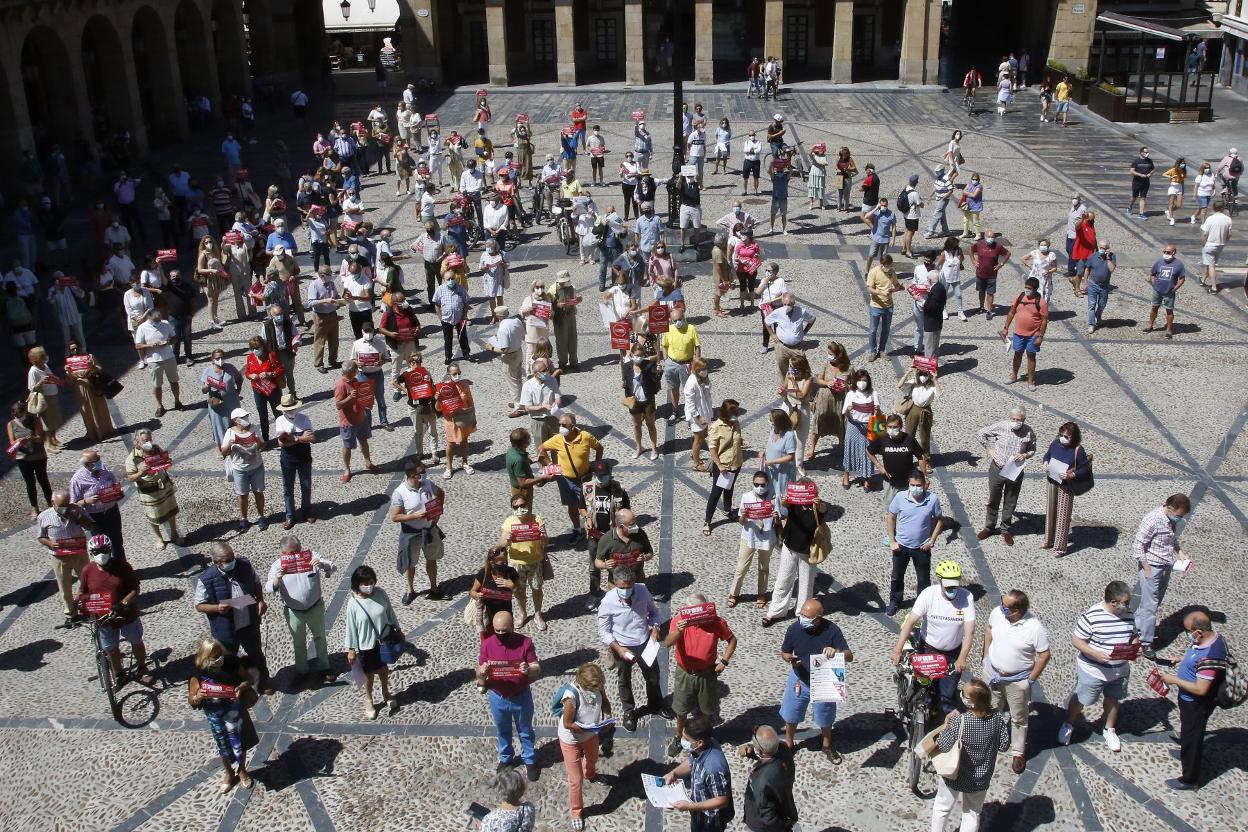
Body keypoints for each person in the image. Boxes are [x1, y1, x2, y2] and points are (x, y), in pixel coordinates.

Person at [1058, 581, 1139, 752]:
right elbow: (1077, 640)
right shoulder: (1092, 616)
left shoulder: (1129, 614)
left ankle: (1109, 729)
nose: (1128, 605)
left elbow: (1133, 635)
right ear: (1113, 602)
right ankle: (1068, 724)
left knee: (1113, 700)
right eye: (1125, 602)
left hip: (1120, 670)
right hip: (1093, 670)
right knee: (1081, 699)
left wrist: (1134, 648)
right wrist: (1096, 654)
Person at [1155, 610, 1227, 791]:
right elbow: (1196, 656)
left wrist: (1174, 679)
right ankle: (1185, 751)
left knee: (1193, 736)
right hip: (1188, 700)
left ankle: (1189, 778)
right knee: (1188, 731)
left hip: (1195, 703)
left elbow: (1201, 689)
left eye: (1189, 632)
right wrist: (1184, 660)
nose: (1188, 635)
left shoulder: (1211, 655)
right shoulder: (1210, 639)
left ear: (1199, 632)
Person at [891, 560, 975, 713]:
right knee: (925, 690)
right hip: (929, 649)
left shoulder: (966, 597)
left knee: (947, 696)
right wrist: (897, 649)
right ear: (940, 581)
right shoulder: (929, 594)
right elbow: (910, 622)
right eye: (948, 586)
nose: (952, 589)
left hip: (952, 652)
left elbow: (969, 633)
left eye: (955, 586)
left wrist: (962, 658)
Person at [983, 589, 1051, 774]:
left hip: (1017, 680)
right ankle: (990, 738)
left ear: (1017, 610)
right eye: (1002, 604)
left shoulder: (1034, 627)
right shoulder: (997, 613)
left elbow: (1044, 655)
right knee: (991, 708)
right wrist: (986, 655)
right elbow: (988, 629)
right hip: (993, 674)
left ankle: (1018, 752)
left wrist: (1030, 680)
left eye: (1006, 607)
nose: (1001, 609)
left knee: (1019, 718)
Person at [928, 680, 1010, 832]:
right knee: (972, 814)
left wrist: (946, 724)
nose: (961, 695)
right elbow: (1004, 745)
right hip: (981, 778)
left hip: (955, 775)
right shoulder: (997, 718)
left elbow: (944, 745)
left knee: (942, 808)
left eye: (964, 694)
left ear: (971, 702)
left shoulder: (960, 721)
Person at [778, 600, 852, 763]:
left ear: (818, 618)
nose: (802, 618)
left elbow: (849, 655)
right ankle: (789, 744)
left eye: (806, 616)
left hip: (824, 680)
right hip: (799, 678)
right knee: (791, 715)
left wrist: (837, 651)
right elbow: (784, 652)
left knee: (826, 717)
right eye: (801, 614)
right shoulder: (794, 629)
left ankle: (827, 745)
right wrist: (789, 658)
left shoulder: (832, 630)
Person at [665, 592, 737, 756]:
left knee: (707, 710)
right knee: (681, 710)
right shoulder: (678, 622)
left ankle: (703, 738)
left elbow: (732, 640)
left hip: (707, 673)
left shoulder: (716, 622)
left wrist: (724, 661)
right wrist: (679, 631)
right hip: (685, 673)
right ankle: (679, 737)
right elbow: (668, 642)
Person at [195, 543, 274, 694]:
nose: (232, 561)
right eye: (227, 559)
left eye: (232, 557)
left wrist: (260, 600)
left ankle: (264, 681)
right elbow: (199, 605)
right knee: (229, 661)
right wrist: (216, 608)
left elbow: (256, 583)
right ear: (216, 562)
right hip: (225, 629)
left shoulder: (244, 565)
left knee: (256, 654)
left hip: (248, 623)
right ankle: (235, 688)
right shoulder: (206, 579)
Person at [597, 567, 668, 731]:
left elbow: (653, 612)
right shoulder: (607, 602)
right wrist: (618, 648)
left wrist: (655, 628)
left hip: (644, 641)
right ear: (615, 584)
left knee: (653, 676)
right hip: (622, 646)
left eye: (629, 587)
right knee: (624, 680)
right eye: (622, 588)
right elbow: (604, 631)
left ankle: (655, 704)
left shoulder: (642, 590)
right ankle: (628, 711)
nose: (626, 591)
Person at [78, 534, 155, 685]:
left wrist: (123, 603)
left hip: (127, 615)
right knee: (111, 649)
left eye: (104, 550)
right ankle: (118, 673)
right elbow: (81, 593)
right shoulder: (87, 571)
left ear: (110, 550)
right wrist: (80, 605)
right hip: (104, 619)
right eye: (96, 552)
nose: (101, 555)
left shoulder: (123, 567)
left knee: (136, 641)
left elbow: (135, 589)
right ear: (91, 553)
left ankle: (142, 668)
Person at [188, 638, 259, 793]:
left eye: (220, 654)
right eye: (215, 656)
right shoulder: (198, 673)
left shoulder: (231, 662)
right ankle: (229, 773)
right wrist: (198, 697)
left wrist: (241, 687)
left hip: (235, 711)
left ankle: (242, 770)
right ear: (205, 657)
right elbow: (192, 700)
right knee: (223, 747)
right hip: (216, 717)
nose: (219, 658)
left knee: (241, 743)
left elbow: (249, 679)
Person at [477, 609, 541, 780]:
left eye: (504, 631)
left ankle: (529, 758)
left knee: (525, 730)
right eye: (497, 630)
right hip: (498, 696)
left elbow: (536, 667)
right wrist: (482, 673)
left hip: (521, 695)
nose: (499, 634)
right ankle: (506, 758)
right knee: (502, 730)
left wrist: (529, 669)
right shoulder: (487, 645)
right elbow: (480, 671)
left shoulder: (525, 643)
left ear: (512, 627)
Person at [266, 534, 335, 687]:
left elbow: (332, 566)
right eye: (291, 553)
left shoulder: (311, 556)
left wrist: (322, 565)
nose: (296, 556)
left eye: (298, 551)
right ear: (283, 553)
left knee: (320, 637)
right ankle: (302, 670)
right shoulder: (277, 565)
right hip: (294, 611)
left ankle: (324, 667)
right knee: (299, 642)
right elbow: (269, 588)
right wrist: (277, 579)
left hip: (315, 607)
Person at [1132, 494, 1191, 659]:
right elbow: (1138, 545)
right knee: (1150, 605)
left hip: (1165, 565)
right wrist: (1146, 568)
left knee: (1153, 602)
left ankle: (1134, 628)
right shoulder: (1152, 519)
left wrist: (1180, 553)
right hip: (1152, 567)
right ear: (1170, 508)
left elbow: (1171, 539)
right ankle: (1145, 643)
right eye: (1179, 515)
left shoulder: (1170, 519)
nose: (1180, 519)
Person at [556, 663, 609, 830]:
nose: (599, 689)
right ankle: (576, 811)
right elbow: (567, 723)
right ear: (584, 685)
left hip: (590, 734)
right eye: (595, 687)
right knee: (575, 780)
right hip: (570, 739)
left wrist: (607, 713)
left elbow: (605, 702)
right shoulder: (571, 696)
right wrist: (583, 728)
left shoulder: (597, 685)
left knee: (592, 758)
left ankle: (591, 774)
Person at [976, 406, 1036, 546]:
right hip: (998, 468)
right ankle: (989, 527)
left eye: (1019, 420)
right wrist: (989, 448)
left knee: (1011, 500)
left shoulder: (1028, 431)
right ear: (1010, 418)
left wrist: (1025, 455)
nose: (1016, 422)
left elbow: (1033, 448)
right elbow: (981, 433)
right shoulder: (1002, 426)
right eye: (1014, 419)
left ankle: (1005, 529)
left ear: (1024, 420)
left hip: (1015, 470)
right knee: (993, 499)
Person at [663, 713, 734, 830]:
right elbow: (692, 762)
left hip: (711, 821)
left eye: (686, 739)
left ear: (699, 742)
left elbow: (722, 800)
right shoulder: (701, 747)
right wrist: (674, 773)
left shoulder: (714, 768)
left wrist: (690, 806)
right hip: (698, 813)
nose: (682, 741)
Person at [345, 564, 400, 719]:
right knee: (368, 674)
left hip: (383, 641)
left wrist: (398, 629)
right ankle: (368, 699)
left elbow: (390, 612)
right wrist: (351, 648)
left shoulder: (381, 593)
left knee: (383, 669)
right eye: (365, 584)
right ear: (358, 584)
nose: (369, 586)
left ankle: (386, 692)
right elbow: (351, 627)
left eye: (371, 582)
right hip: (365, 645)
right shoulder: (353, 603)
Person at [389, 459, 447, 604]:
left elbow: (441, 494)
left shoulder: (428, 484)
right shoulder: (399, 493)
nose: (423, 472)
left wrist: (437, 514)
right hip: (411, 533)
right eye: (420, 471)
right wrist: (415, 516)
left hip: (429, 530)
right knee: (410, 563)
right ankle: (410, 590)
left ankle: (434, 588)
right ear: (412, 475)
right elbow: (394, 516)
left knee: (431, 559)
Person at [540, 414, 603, 538]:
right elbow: (541, 448)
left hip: (584, 478)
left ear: (573, 426)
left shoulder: (585, 436)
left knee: (590, 504)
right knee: (572, 505)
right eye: (559, 424)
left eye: (563, 425)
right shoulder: (557, 439)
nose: (560, 427)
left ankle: (594, 527)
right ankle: (577, 529)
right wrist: (550, 465)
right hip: (565, 480)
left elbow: (599, 448)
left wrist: (596, 465)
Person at [37, 490, 94, 622]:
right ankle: (71, 613)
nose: (65, 508)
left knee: (88, 582)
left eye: (67, 504)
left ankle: (91, 608)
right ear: (53, 503)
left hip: (79, 553)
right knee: (64, 586)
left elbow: (90, 526)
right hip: (60, 557)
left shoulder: (77, 509)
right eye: (62, 505)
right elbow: (40, 537)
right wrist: (49, 543)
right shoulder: (44, 517)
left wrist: (79, 517)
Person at [124, 428, 184, 548]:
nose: (149, 442)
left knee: (171, 510)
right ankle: (158, 538)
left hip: (163, 485)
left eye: (150, 439)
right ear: (137, 442)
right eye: (145, 440)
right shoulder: (132, 458)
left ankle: (174, 533)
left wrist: (167, 462)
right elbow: (130, 478)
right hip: (149, 491)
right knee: (153, 515)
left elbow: (163, 463)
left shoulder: (156, 449)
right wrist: (141, 472)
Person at [1041, 422, 1092, 557]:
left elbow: (1084, 468)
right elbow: (1047, 456)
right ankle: (1049, 540)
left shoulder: (1078, 450)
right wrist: (1045, 463)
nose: (1063, 438)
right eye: (1061, 435)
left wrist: (1072, 475)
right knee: (1050, 511)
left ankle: (1060, 547)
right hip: (1052, 481)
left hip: (1066, 485)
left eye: (1067, 437)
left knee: (1063, 515)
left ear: (1074, 438)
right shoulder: (1055, 443)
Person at [500, 496, 550, 631]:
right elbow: (501, 545)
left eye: (522, 505)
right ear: (512, 508)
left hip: (535, 562)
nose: (520, 509)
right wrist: (507, 540)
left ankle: (538, 614)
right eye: (516, 507)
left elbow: (546, 542)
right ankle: (523, 613)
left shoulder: (537, 519)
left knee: (537, 589)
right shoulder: (509, 522)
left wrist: (542, 536)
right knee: (519, 591)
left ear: (528, 505)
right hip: (516, 564)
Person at [69, 451, 126, 563]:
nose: (99, 462)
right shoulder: (77, 479)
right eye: (96, 460)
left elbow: (114, 482)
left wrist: (118, 492)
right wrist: (87, 501)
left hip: (111, 511)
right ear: (87, 464)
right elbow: (73, 504)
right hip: (94, 517)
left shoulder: (104, 469)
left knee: (117, 542)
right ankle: (107, 570)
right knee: (101, 545)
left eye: (99, 458)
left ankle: (123, 568)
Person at [741, 725, 798, 832]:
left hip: (760, 825)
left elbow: (768, 817)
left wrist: (784, 828)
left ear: (759, 750)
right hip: (784, 806)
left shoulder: (760, 781)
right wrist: (751, 751)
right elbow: (768, 753)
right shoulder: (784, 749)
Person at [220, 408, 267, 531]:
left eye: (246, 416)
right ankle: (244, 518)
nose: (246, 418)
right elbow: (223, 452)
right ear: (235, 420)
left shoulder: (254, 428)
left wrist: (257, 440)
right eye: (243, 417)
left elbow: (262, 446)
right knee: (242, 495)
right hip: (239, 469)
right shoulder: (230, 432)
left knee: (258, 492)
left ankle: (261, 516)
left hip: (256, 467)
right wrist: (230, 443)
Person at [333, 361, 379, 482]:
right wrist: (349, 398)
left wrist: (367, 402)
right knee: (347, 447)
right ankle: (347, 469)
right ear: (350, 372)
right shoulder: (340, 385)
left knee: (364, 441)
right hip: (348, 422)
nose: (357, 372)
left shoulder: (355, 380)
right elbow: (338, 405)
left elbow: (361, 396)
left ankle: (368, 462)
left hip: (361, 418)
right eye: (355, 370)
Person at [274, 393, 316, 528]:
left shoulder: (304, 419)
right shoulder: (280, 420)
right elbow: (281, 443)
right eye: (287, 409)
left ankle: (306, 511)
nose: (289, 411)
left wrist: (294, 439)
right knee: (288, 488)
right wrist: (300, 438)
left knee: (306, 486)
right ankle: (290, 516)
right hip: (288, 459)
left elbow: (311, 438)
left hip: (304, 458)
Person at [1001, 276, 1048, 392]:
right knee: (1017, 354)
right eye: (1026, 287)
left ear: (1035, 289)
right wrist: (1006, 327)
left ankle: (1030, 381)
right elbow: (1012, 312)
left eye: (1029, 288)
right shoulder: (1020, 297)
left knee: (1031, 356)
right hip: (1019, 333)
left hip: (1033, 335)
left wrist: (1040, 337)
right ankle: (1014, 375)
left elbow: (1044, 321)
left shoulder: (1041, 302)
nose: (1027, 290)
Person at [704, 399, 743, 534]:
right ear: (726, 414)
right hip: (723, 466)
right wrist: (719, 465)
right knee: (716, 493)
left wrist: (741, 442)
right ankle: (707, 521)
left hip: (736, 463)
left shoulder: (736, 422)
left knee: (730, 488)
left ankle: (728, 510)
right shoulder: (716, 427)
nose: (736, 416)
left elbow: (736, 438)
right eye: (734, 414)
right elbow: (712, 448)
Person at [63, 341, 115, 443]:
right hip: (81, 388)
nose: (75, 350)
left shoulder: (88, 357)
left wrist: (92, 367)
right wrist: (68, 372)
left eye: (76, 348)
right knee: (87, 410)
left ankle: (105, 430)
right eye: (72, 349)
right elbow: (69, 381)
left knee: (99, 407)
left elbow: (99, 369)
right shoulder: (69, 362)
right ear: (69, 351)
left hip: (93, 384)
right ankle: (93, 432)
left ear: (80, 347)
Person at [808, 342, 850, 464]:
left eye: (831, 354)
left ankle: (843, 447)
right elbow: (818, 380)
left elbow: (853, 384)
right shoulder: (827, 364)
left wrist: (845, 385)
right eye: (829, 354)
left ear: (839, 355)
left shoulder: (849, 368)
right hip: (824, 399)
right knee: (818, 421)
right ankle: (812, 448)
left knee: (840, 423)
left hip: (839, 401)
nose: (829, 356)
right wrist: (827, 383)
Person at [9, 399, 52, 517]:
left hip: (38, 456)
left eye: (21, 415)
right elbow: (12, 443)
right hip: (23, 458)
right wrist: (18, 441)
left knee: (43, 480)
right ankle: (34, 507)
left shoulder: (34, 419)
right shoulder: (11, 424)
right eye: (16, 415)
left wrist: (31, 438)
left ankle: (51, 504)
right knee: (30, 483)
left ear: (25, 412)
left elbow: (40, 437)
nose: (19, 417)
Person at [840, 369, 879, 490]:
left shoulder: (873, 393)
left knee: (868, 452)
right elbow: (844, 412)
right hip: (854, 425)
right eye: (860, 380)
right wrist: (848, 410)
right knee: (850, 449)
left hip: (868, 425)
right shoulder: (851, 394)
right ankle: (846, 474)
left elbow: (877, 412)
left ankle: (867, 477)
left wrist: (876, 410)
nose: (862, 382)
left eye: (864, 380)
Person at [439, 362, 477, 477]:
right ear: (449, 374)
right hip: (451, 419)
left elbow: (470, 402)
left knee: (464, 441)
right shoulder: (443, 388)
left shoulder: (464, 385)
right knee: (450, 444)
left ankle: (465, 463)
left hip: (464, 418)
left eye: (459, 373)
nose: (457, 375)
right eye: (455, 373)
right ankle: (449, 467)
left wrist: (473, 417)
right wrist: (437, 399)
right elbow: (437, 408)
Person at [763, 293, 815, 377]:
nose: (787, 306)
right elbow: (766, 322)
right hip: (782, 346)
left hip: (797, 347)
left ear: (794, 303)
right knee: (783, 370)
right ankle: (784, 387)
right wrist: (772, 334)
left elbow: (812, 319)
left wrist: (804, 332)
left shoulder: (801, 312)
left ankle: (802, 387)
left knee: (802, 368)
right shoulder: (778, 312)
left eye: (789, 304)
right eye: (785, 304)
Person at [1144, 244, 1186, 339]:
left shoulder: (1179, 264)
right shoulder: (1159, 262)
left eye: (1168, 252)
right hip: (1157, 290)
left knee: (1169, 310)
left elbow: (1182, 278)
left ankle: (1169, 330)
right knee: (1154, 307)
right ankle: (1150, 325)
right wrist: (1154, 284)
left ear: (1174, 252)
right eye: (1164, 252)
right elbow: (1153, 274)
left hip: (1169, 292)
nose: (1166, 254)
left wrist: (1175, 288)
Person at [865, 254, 901, 360]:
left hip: (888, 306)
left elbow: (896, 284)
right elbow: (869, 289)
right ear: (882, 264)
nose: (888, 268)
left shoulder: (892, 271)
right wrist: (881, 293)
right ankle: (872, 351)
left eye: (890, 265)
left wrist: (898, 287)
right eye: (887, 266)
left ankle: (882, 350)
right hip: (876, 306)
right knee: (873, 330)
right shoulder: (874, 272)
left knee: (886, 330)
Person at [970, 231, 1010, 318]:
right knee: (981, 291)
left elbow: (1007, 253)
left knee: (990, 293)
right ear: (985, 237)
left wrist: (1001, 264)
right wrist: (973, 261)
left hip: (992, 275)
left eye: (992, 237)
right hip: (980, 273)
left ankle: (989, 310)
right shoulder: (979, 244)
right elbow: (971, 250)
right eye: (989, 236)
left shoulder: (998, 246)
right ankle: (981, 306)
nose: (990, 238)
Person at [1082, 239, 1116, 334]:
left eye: (1104, 248)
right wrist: (1085, 283)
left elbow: (1111, 269)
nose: (1102, 250)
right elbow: (1087, 270)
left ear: (1108, 249)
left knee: (1102, 305)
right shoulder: (1092, 257)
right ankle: (1091, 324)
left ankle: (1098, 316)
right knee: (1091, 305)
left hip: (1104, 286)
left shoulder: (1112, 257)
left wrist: (1108, 258)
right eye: (1100, 247)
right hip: (1093, 284)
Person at [1199, 199, 1232, 294]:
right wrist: (1224, 241)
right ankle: (1203, 280)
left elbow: (1205, 234)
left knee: (1211, 265)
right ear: (1223, 208)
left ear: (1214, 208)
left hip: (1210, 244)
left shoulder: (1210, 219)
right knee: (1210, 263)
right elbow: (1229, 234)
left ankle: (1214, 287)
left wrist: (1203, 243)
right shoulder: (1228, 219)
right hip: (1220, 245)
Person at [1069, 209, 1097, 294]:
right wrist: (1082, 219)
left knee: (1086, 271)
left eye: (1092, 219)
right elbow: (1077, 226)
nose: (1091, 221)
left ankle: (1074, 280)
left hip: (1090, 253)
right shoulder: (1082, 224)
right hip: (1080, 252)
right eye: (1089, 219)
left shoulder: (1091, 225)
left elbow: (1094, 238)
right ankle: (1077, 290)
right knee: (1080, 271)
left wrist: (1097, 249)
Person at [1127, 146, 1155, 219]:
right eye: (1146, 152)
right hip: (1137, 182)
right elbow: (1131, 171)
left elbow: (1153, 169)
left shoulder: (1150, 161)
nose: (1147, 153)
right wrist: (1140, 175)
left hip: (1146, 182)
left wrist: (1150, 174)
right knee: (1134, 197)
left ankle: (1141, 213)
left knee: (1143, 198)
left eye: (1147, 152)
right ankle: (1130, 207)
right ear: (1141, 152)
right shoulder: (1136, 161)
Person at [960, 173, 983, 239]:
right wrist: (969, 193)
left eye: (975, 179)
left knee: (976, 221)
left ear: (978, 180)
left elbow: (974, 195)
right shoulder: (969, 183)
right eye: (973, 179)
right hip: (968, 205)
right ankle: (965, 233)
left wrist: (967, 193)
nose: (974, 180)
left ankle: (978, 235)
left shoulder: (979, 186)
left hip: (976, 206)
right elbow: (964, 190)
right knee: (965, 220)